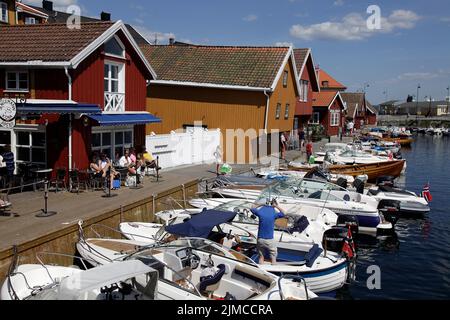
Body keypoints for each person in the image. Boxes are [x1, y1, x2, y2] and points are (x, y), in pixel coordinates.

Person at [251, 199, 286, 264]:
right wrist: (276, 206)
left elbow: (252, 208)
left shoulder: (260, 213)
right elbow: (284, 213)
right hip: (269, 239)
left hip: (260, 239)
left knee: (261, 257)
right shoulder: (273, 214)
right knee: (273, 257)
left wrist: (261, 204)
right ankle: (273, 266)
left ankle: (260, 268)